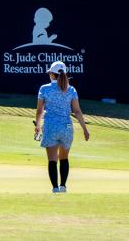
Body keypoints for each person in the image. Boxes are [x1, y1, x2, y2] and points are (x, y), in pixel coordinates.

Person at [34, 61, 90, 193]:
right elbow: (77, 111)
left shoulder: (44, 89)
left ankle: (55, 188)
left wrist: (37, 125)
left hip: (51, 127)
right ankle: (63, 186)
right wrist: (85, 129)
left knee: (52, 159)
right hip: (66, 128)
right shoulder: (71, 89)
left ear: (52, 75)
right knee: (64, 158)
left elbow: (39, 111)